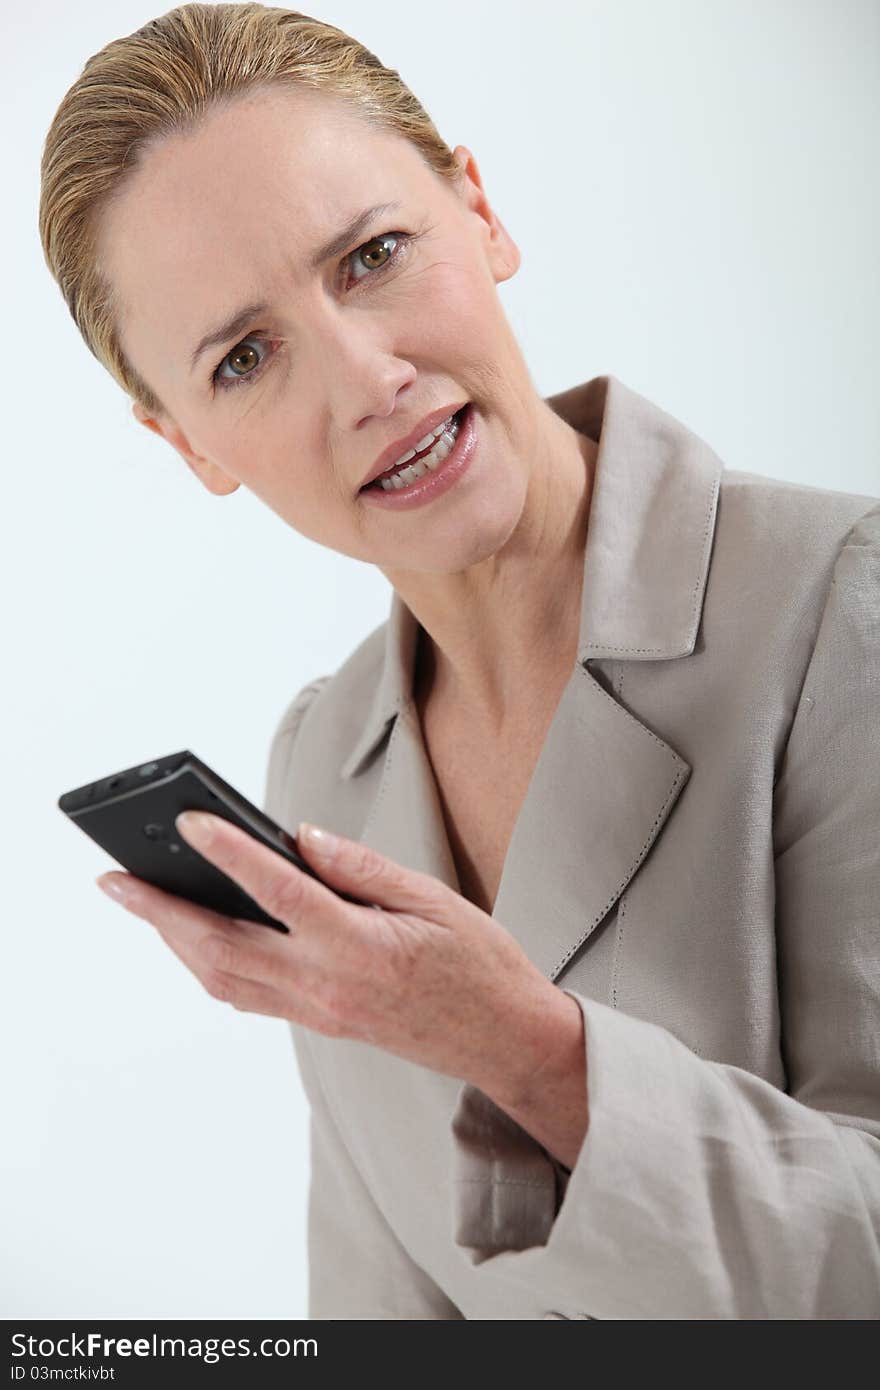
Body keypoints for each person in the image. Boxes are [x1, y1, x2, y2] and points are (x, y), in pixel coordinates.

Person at [39, 3, 880, 1320]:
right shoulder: (322, 766)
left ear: (477, 207)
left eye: (373, 254)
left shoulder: (844, 603)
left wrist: (528, 1050)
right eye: (247, 356)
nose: (366, 375)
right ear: (187, 442)